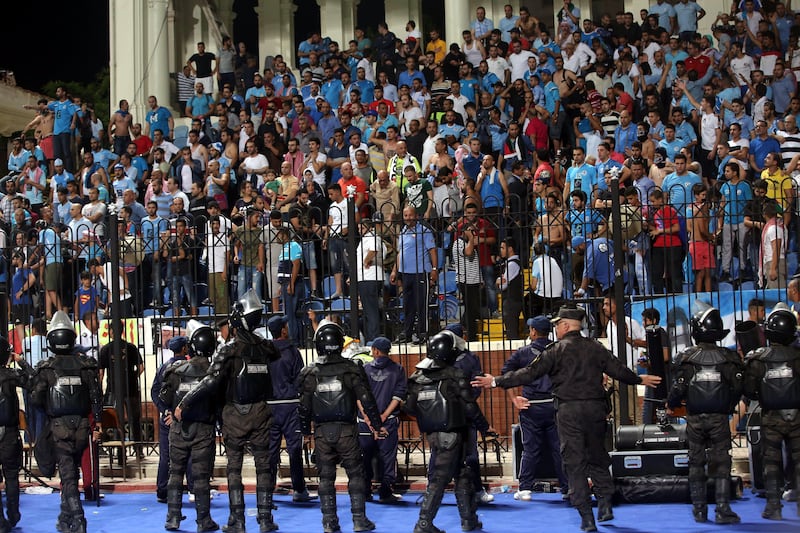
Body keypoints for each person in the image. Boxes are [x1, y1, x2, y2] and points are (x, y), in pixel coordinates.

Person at [472, 305, 661, 532]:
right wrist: (640, 380)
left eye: (557, 326)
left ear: (564, 325)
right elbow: (618, 370)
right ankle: (605, 504)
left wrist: (495, 381)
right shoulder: (595, 347)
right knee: (597, 457)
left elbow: (529, 374)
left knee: (574, 464)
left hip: (569, 412)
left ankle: (586, 517)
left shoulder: (556, 350)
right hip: (595, 410)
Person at [175, 289, 280, 533]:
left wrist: (185, 402)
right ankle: (265, 519)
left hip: (234, 414)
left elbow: (211, 382)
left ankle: (237, 520)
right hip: (261, 413)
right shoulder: (266, 348)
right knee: (264, 466)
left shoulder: (229, 350)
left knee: (234, 468)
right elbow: (274, 352)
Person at [298, 320, 384, 533]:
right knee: (355, 474)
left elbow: (303, 406)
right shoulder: (351, 369)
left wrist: (305, 430)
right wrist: (377, 424)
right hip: (346, 430)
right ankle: (358, 519)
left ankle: (329, 522)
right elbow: (367, 400)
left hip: (321, 432)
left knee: (325, 476)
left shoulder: (310, 373)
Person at [405, 331, 491, 533]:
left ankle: (469, 520)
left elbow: (409, 407)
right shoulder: (455, 375)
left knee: (462, 474)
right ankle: (423, 523)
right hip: (452, 433)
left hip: (434, 434)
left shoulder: (417, 378)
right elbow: (470, 406)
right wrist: (484, 427)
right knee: (440, 479)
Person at [667, 302, 744, 525]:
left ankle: (699, 510)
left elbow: (677, 389)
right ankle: (722, 509)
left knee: (696, 463)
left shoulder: (686, 358)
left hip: (694, 419)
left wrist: (671, 403)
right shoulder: (729, 359)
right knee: (721, 462)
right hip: (719, 419)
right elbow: (738, 388)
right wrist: (729, 407)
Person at [30, 311, 103, 533]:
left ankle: (79, 519)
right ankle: (64, 519)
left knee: (68, 474)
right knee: (71, 471)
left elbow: (35, 399)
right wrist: (97, 423)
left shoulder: (46, 368)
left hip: (59, 427)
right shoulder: (87, 365)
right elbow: (96, 397)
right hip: (82, 426)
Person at [159, 321, 219, 532]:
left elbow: (164, 399)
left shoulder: (176, 371)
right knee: (201, 476)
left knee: (175, 473)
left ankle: (172, 517)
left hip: (179, 429)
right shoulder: (214, 373)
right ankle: (203, 520)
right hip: (204, 429)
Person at [743, 304, 800, 520]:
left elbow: (749, 390)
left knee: (771, 461)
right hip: (797, 416)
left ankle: (774, 506)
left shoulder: (758, 359)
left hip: (771, 417)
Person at [502, 316, 568, 501]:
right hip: (555, 405)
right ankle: (567, 486)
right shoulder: (558, 350)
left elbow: (505, 374)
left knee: (530, 449)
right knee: (559, 448)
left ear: (533, 331)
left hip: (531, 406)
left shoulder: (523, 353)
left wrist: (514, 398)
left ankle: (524, 487)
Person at [265, 315, 315, 503]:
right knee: (295, 449)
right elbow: (301, 379)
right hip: (290, 405)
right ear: (283, 330)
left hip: (269, 407)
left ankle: (267, 488)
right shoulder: (293, 351)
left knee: (270, 450)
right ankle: (299, 489)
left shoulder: (264, 352)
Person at [358, 336, 406, 503]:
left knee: (365, 457)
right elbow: (398, 396)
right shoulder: (398, 369)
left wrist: (368, 418)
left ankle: (365, 492)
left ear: (376, 351)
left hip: (365, 423)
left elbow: (359, 396)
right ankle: (385, 492)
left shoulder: (364, 369)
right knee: (387, 457)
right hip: (388, 421)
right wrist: (384, 416)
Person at [150, 335, 194, 504]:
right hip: (184, 417)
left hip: (167, 418)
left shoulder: (164, 367)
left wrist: (165, 411)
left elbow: (155, 392)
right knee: (189, 453)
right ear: (184, 349)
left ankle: (162, 490)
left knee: (166, 456)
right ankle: (192, 488)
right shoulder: (189, 366)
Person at [390, 206, 438, 344]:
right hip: (406, 274)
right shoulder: (403, 232)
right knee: (408, 305)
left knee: (422, 304)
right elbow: (400, 253)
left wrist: (434, 269)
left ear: (416, 216)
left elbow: (432, 250)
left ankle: (423, 333)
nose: (408, 218)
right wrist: (395, 270)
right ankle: (408, 333)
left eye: (410, 215)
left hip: (421, 272)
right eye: (405, 215)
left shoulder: (424, 231)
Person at [0, 336, 34, 532]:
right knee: (12, 476)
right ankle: (13, 513)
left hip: (10, 433)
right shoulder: (11, 374)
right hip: (10, 435)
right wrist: (21, 361)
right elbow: (33, 379)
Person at [97, 320, 144, 456]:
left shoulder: (106, 349)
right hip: (131, 387)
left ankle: (117, 448)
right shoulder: (131, 347)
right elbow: (141, 367)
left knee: (114, 419)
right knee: (134, 419)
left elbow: (101, 373)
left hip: (113, 388)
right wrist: (133, 377)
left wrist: (99, 389)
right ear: (122, 331)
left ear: (111, 332)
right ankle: (138, 448)